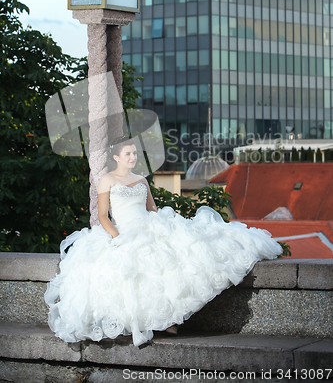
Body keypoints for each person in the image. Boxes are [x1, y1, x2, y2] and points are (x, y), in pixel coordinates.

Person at [44, 135, 282, 347]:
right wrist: (117, 237)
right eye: (128, 154)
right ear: (116, 156)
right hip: (122, 230)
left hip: (147, 225)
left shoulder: (141, 180)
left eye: (134, 153)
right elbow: (103, 216)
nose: (133, 157)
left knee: (172, 260)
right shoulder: (107, 180)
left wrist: (162, 228)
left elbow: (152, 209)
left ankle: (168, 319)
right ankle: (156, 321)